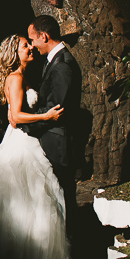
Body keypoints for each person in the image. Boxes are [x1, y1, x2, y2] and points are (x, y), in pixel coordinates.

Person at [0, 34, 70, 259]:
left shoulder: (22, 77)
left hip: (26, 138)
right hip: (20, 142)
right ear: (14, 53)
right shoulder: (15, 78)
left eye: (30, 43)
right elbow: (15, 116)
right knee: (26, 198)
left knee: (35, 199)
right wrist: (46, 116)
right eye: (25, 45)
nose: (30, 47)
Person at [26, 15, 82, 202]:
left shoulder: (62, 65)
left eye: (33, 40)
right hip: (54, 140)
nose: (32, 46)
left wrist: (26, 121)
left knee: (61, 197)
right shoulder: (54, 60)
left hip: (59, 144)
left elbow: (56, 109)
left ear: (44, 36)